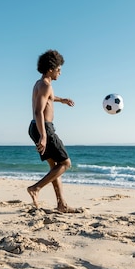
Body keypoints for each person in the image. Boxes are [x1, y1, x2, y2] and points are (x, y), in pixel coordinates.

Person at [27, 49, 78, 213]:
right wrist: (43, 136)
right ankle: (35, 188)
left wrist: (61, 100)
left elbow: (48, 97)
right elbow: (38, 111)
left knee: (55, 167)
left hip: (36, 127)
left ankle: (61, 204)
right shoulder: (45, 85)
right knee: (65, 163)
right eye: (59, 69)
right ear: (51, 69)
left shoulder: (40, 84)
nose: (60, 73)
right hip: (44, 128)